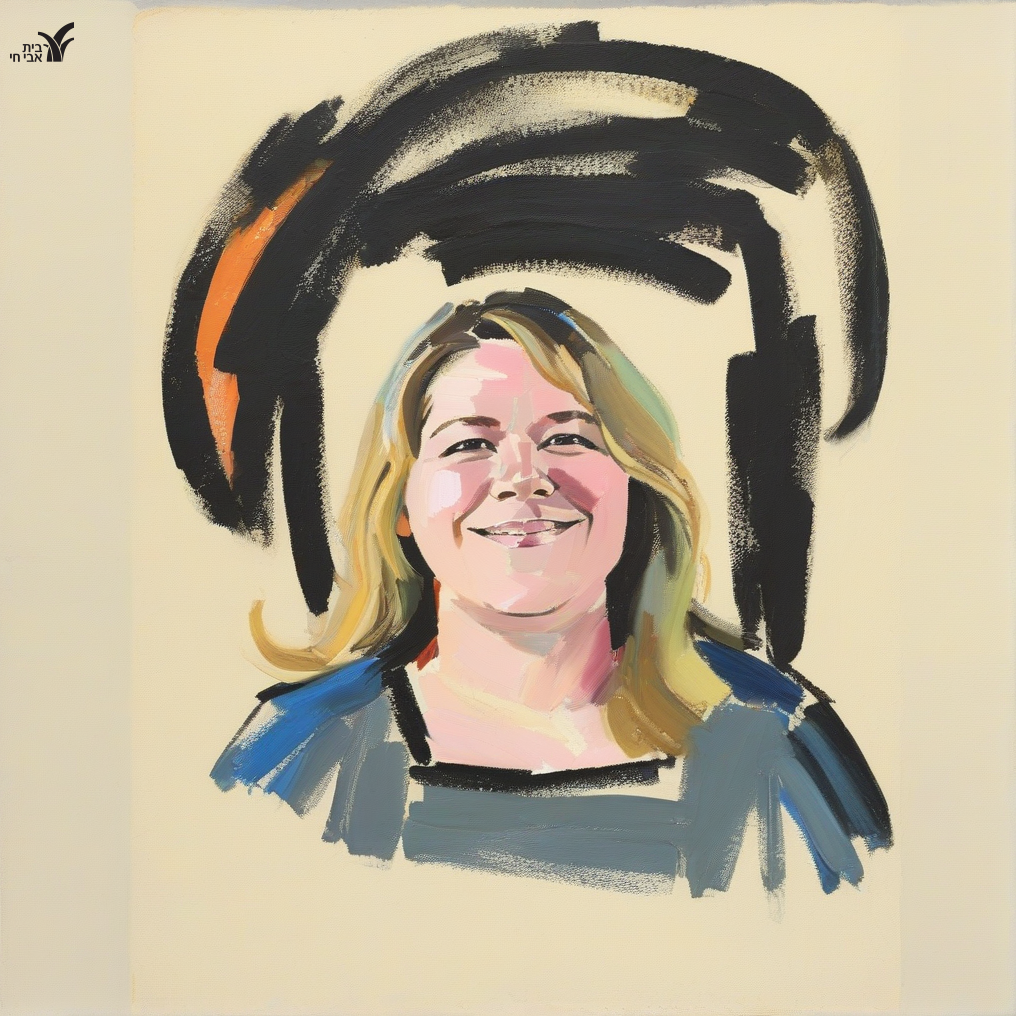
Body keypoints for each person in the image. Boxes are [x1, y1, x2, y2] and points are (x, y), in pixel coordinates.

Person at [211, 288, 891, 896]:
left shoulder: (774, 735)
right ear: (401, 505)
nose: (522, 476)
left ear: (636, 486)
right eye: (469, 445)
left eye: (567, 437)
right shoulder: (300, 747)